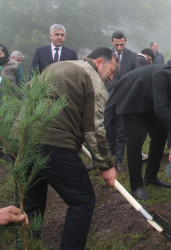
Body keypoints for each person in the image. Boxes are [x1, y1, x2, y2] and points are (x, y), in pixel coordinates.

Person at [23, 47, 117, 249]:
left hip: (22, 140)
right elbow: (94, 128)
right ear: (99, 62)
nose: (111, 77)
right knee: (82, 200)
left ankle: (25, 245)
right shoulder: (93, 80)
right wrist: (106, 165)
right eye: (111, 71)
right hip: (54, 143)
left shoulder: (56, 66)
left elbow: (28, 90)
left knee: (32, 205)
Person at [115, 65, 171, 200]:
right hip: (131, 95)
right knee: (136, 139)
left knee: (160, 134)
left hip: (150, 102)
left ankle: (150, 177)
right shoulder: (163, 76)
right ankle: (136, 186)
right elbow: (161, 111)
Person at [103, 31, 139, 172]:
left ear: (126, 41)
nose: (119, 47)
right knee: (107, 125)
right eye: (116, 44)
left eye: (121, 44)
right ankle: (109, 152)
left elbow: (137, 74)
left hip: (125, 97)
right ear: (111, 41)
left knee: (121, 129)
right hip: (109, 95)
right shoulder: (106, 55)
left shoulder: (131, 56)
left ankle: (119, 160)